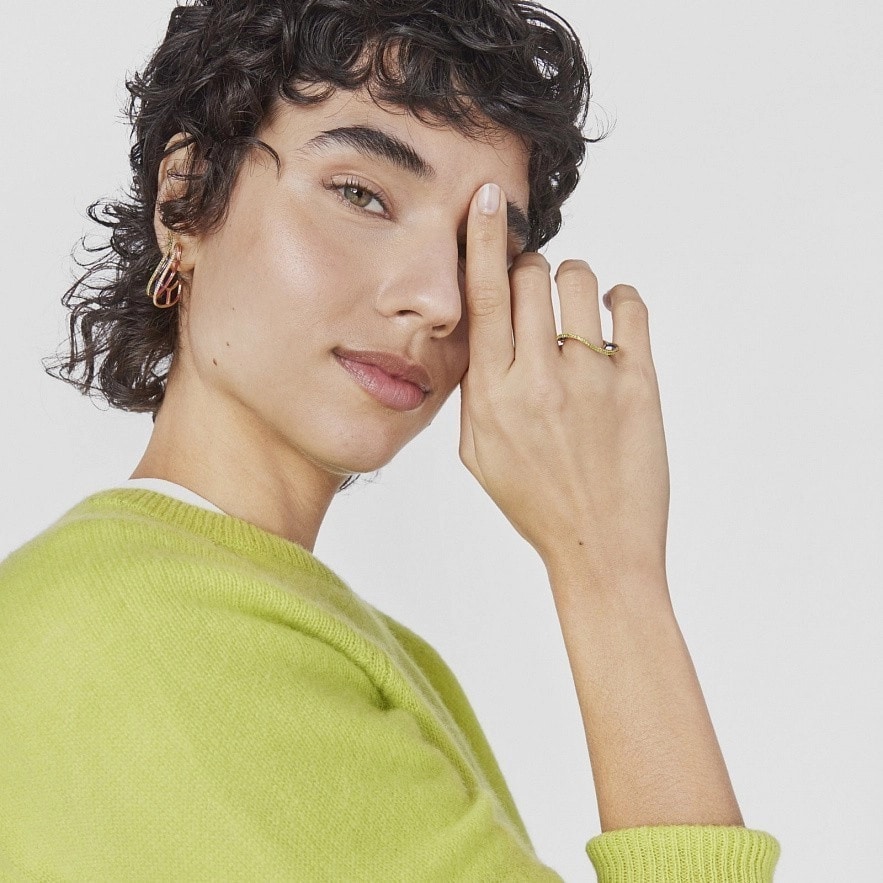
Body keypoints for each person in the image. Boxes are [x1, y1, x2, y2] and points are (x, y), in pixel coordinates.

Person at [0, 0, 780, 879]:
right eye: (362, 195)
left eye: (478, 251)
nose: (440, 300)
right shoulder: (146, 629)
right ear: (186, 195)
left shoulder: (358, 649)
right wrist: (610, 573)